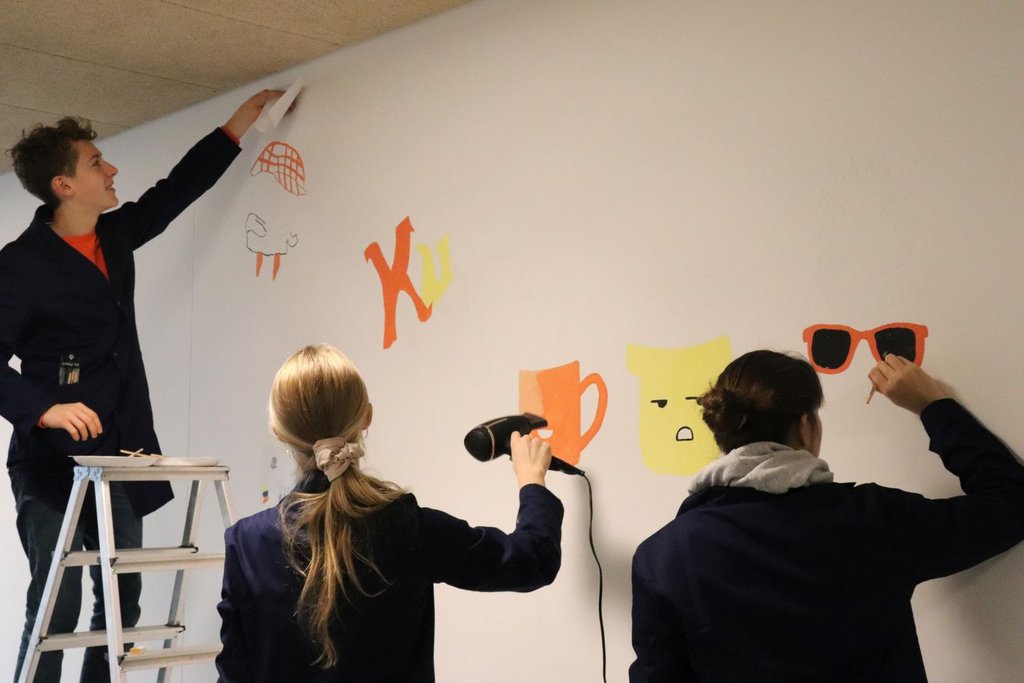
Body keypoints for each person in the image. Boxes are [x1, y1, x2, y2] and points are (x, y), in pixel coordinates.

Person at [0, 89, 286, 683]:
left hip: (119, 453)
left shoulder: (113, 236)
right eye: (96, 163)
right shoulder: (19, 264)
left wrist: (235, 128)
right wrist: (46, 410)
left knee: (120, 606)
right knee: (59, 605)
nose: (111, 170)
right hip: (49, 462)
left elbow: (174, 193)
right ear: (64, 185)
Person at [629, 350, 1024, 682]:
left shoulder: (662, 556)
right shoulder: (872, 521)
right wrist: (933, 406)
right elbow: (1011, 503)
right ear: (806, 426)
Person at [215, 344, 564, 682]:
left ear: (277, 430)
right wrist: (531, 479)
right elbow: (533, 560)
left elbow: (234, 674)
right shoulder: (409, 527)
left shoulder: (245, 545)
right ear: (367, 416)